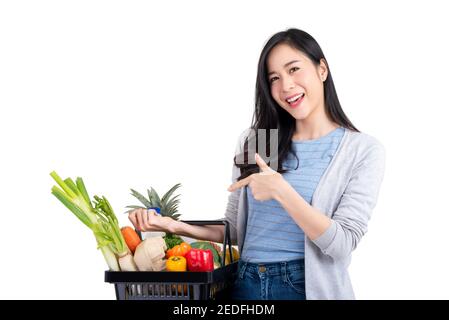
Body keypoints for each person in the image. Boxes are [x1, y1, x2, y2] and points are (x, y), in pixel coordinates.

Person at [128, 28, 386, 300]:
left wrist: (281, 191)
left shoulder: (361, 150)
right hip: (245, 284)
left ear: (322, 69)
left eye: (294, 69)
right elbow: (236, 230)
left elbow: (342, 244)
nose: (286, 85)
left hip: (306, 287)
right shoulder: (260, 141)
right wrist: (176, 226)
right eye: (274, 78)